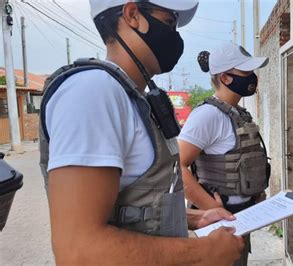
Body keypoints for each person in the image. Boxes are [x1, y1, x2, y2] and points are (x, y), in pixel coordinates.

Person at [38, 1, 244, 264]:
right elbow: (79, 251)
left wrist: (194, 218)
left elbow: (132, 208)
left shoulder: (130, 97)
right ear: (133, 14)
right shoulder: (93, 92)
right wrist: (203, 253)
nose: (175, 36)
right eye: (169, 23)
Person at [178, 43, 271, 266]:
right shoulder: (207, 116)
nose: (252, 77)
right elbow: (178, 168)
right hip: (217, 223)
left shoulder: (240, 113)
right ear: (225, 78)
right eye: (245, 72)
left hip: (241, 218)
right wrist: (213, 209)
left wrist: (254, 194)